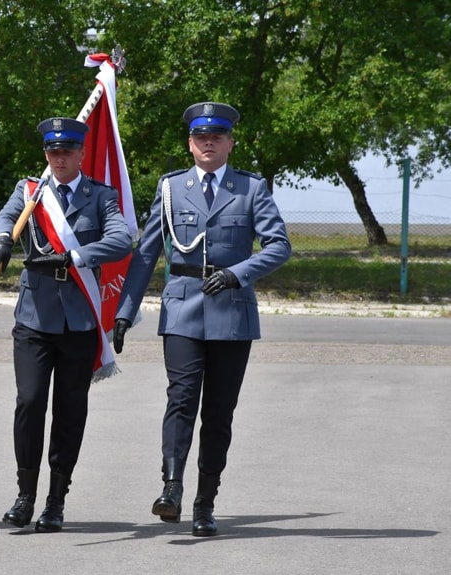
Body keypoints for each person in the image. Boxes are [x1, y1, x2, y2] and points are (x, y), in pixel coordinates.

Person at [113, 102, 291, 536]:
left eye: (216, 137)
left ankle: (205, 501)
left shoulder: (251, 189)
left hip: (232, 313)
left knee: (218, 413)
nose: (208, 143)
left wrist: (236, 274)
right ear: (190, 144)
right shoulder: (172, 188)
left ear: (230, 143)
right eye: (200, 137)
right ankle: (171, 488)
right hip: (183, 308)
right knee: (181, 398)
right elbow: (146, 254)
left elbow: (278, 245)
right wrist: (124, 311)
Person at [0, 117, 132, 533]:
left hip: (79, 321)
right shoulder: (30, 191)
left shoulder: (100, 196)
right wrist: (0, 240)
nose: (60, 157)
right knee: (30, 402)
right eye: (53, 151)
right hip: (34, 318)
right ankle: (25, 494)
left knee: (70, 413)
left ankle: (55, 500)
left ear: (81, 153)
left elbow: (123, 239)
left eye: (67, 150)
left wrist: (77, 257)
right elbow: (3, 220)